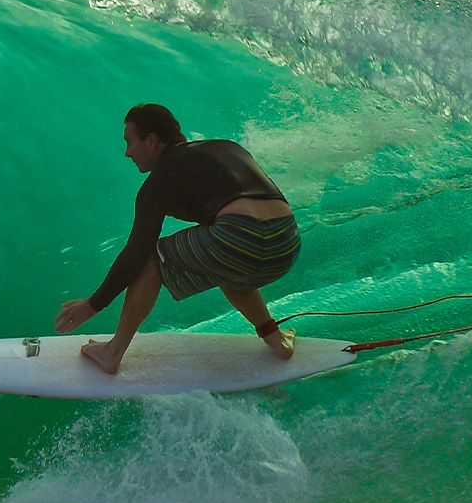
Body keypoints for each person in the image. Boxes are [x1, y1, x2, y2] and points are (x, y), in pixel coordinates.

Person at [54, 104, 301, 374]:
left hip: (239, 236)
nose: (127, 153)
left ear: (152, 140)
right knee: (223, 265)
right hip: (286, 242)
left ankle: (112, 353)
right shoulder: (227, 148)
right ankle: (273, 336)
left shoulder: (159, 181)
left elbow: (136, 253)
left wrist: (93, 305)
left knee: (152, 258)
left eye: (130, 142)